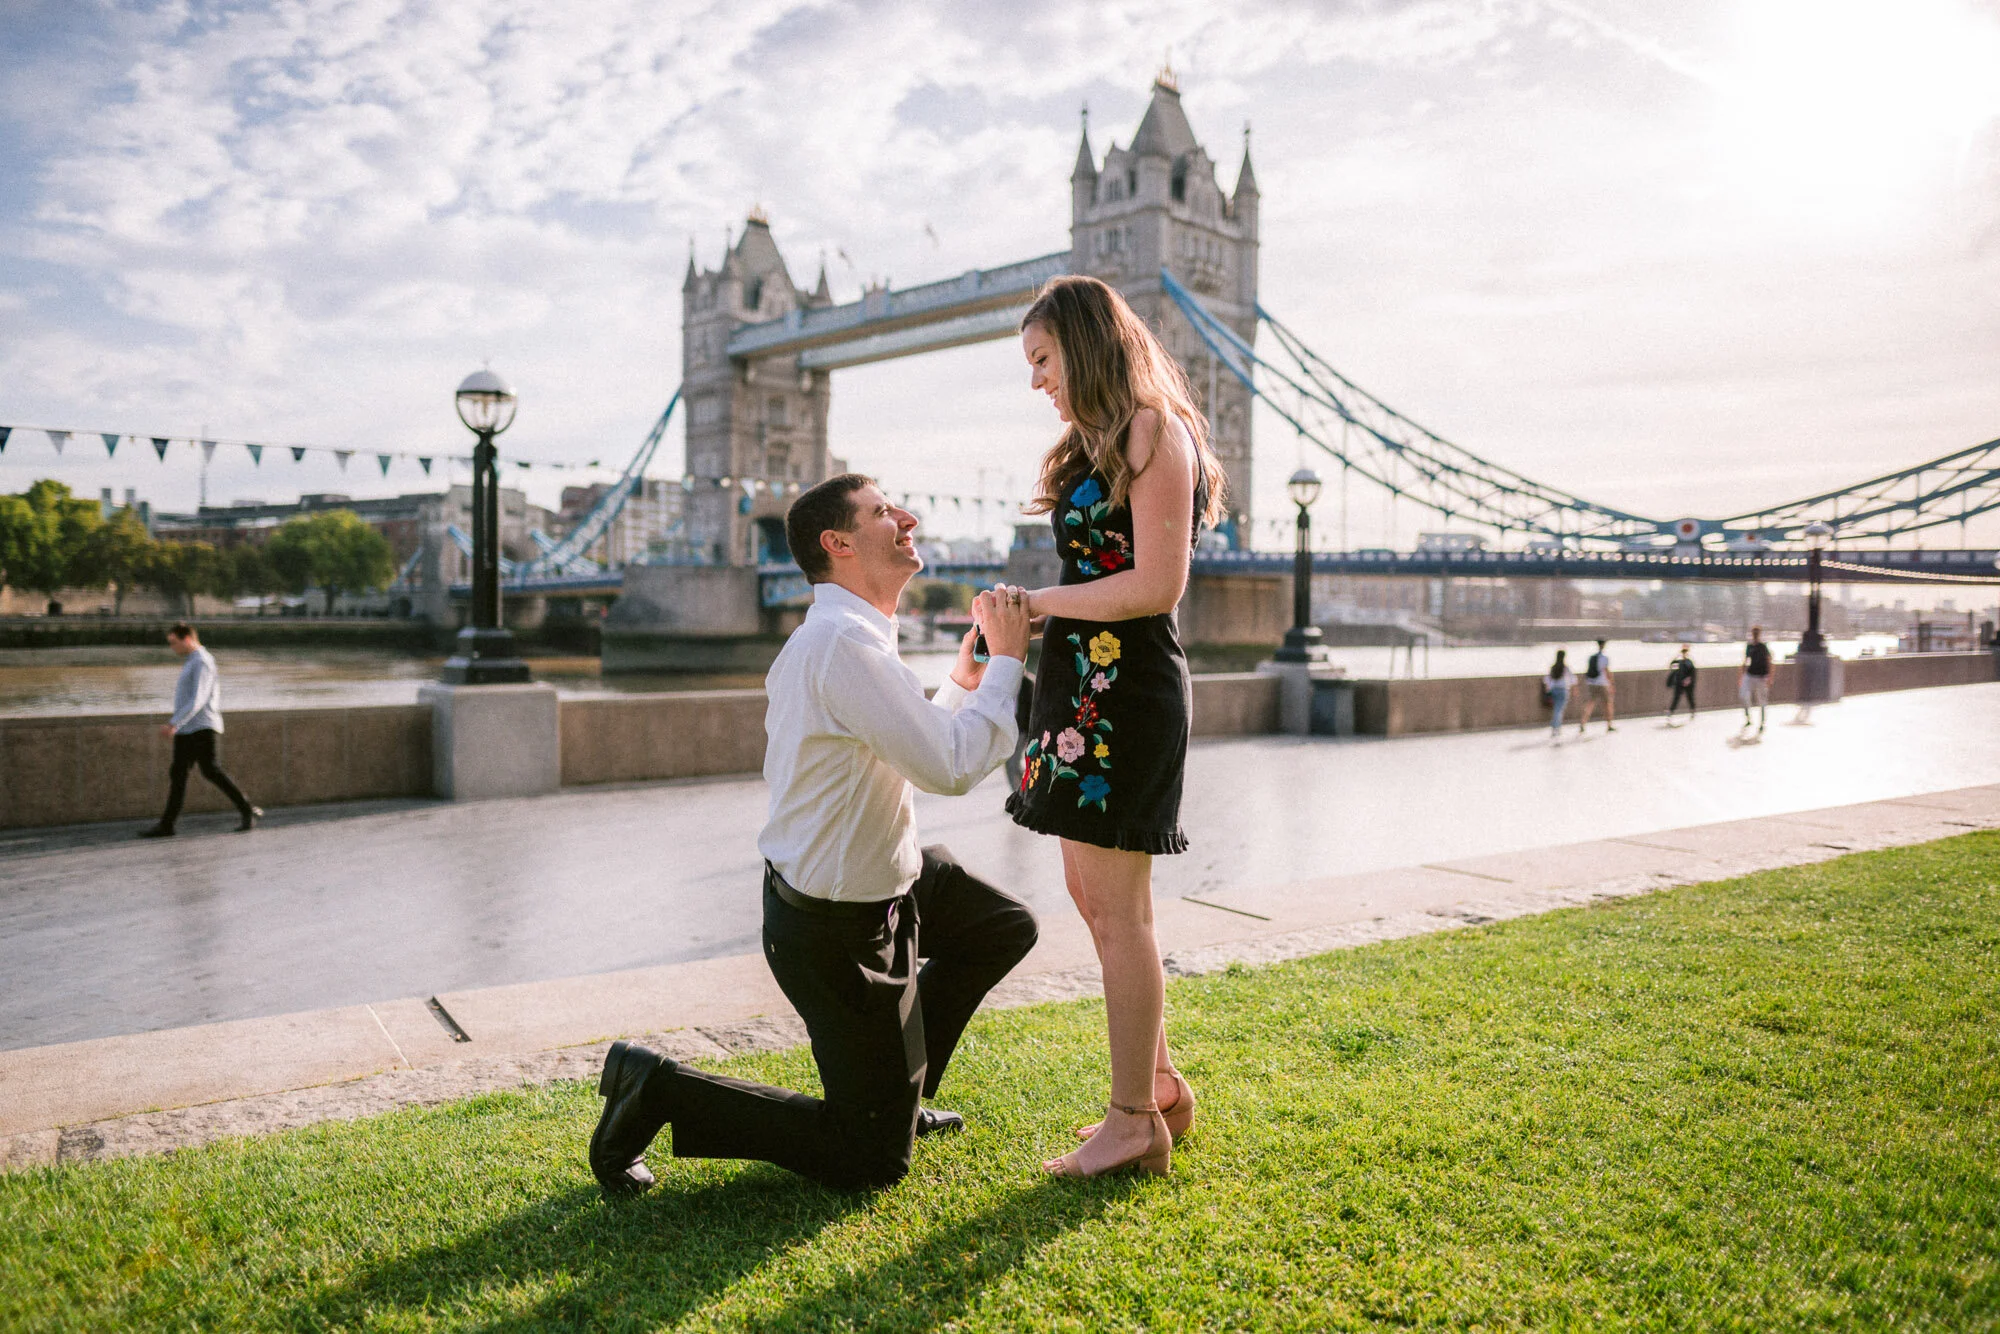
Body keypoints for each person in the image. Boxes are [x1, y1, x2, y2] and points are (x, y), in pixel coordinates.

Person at [587, 474, 1038, 1196]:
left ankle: (902, 1091)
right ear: (839, 543)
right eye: (885, 511)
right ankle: (658, 1088)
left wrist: (962, 679)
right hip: (836, 933)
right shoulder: (839, 646)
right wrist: (1009, 661)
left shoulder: (852, 639)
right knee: (869, 1162)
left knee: (1001, 927)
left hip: (890, 880)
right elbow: (950, 766)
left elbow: (915, 748)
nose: (910, 515)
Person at [1006, 275, 1230, 1179]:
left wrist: (1033, 604)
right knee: (1094, 901)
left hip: (1125, 693)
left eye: (1043, 360)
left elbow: (1155, 587)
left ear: (1087, 344)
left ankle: (1133, 1120)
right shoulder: (1082, 448)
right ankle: (1162, 1083)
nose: (1036, 382)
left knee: (1124, 913)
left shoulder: (1152, 431)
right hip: (1070, 692)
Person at [138, 623, 260, 838]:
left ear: (187, 639)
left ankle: (247, 810)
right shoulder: (192, 661)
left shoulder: (202, 661)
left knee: (210, 770)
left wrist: (174, 723)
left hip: (202, 727)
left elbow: (199, 698)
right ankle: (167, 825)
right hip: (188, 728)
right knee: (179, 774)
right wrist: (179, 724)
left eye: (174, 643)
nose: (172, 648)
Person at [1578, 637, 1615, 733]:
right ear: (1603, 645)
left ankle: (1583, 723)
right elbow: (1606, 672)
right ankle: (1609, 725)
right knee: (1607, 704)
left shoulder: (1591, 657)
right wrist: (1611, 684)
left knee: (1590, 704)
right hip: (1602, 683)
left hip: (1591, 683)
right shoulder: (1604, 658)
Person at [1740, 625, 1773, 732]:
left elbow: (1769, 661)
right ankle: (1748, 718)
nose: (1755, 635)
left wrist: (1769, 677)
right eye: (1753, 633)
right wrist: (1741, 676)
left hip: (1761, 677)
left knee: (1762, 700)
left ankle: (1762, 722)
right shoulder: (1749, 646)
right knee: (1743, 695)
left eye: (1756, 633)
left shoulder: (1763, 647)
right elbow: (1745, 662)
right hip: (1750, 675)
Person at [1542, 649, 1576, 741]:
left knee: (1556, 709)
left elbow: (1547, 680)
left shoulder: (1553, 667)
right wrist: (1574, 689)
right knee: (1559, 710)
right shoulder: (1565, 668)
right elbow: (1573, 679)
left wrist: (1548, 689)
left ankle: (1555, 727)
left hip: (1553, 690)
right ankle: (1556, 727)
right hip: (1563, 690)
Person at [1665, 645, 1698, 723]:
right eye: (1683, 652)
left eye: (1685, 652)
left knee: (1689, 698)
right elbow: (1671, 664)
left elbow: (1692, 674)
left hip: (1687, 684)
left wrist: (1688, 680)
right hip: (1679, 683)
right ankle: (1670, 712)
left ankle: (1692, 711)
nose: (1684, 654)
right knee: (1676, 698)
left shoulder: (1689, 662)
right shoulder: (1679, 661)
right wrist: (1676, 657)